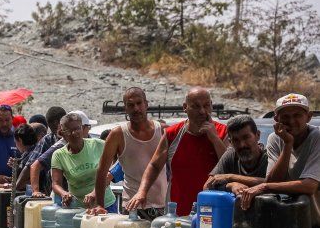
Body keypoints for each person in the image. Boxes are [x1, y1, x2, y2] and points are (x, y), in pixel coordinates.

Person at [239, 93, 320, 228]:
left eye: (297, 115)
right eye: (286, 117)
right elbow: (275, 179)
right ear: (277, 120)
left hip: (316, 223)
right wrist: (287, 145)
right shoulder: (276, 139)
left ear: (308, 116)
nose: (291, 121)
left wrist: (263, 187)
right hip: (293, 224)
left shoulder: (317, 138)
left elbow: (310, 186)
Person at [125, 87, 228, 216]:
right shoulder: (172, 133)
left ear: (211, 106)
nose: (202, 111)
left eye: (206, 106)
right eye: (196, 106)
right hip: (178, 213)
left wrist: (214, 138)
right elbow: (154, 165)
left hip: (214, 212)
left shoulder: (223, 132)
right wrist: (142, 191)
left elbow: (230, 167)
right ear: (185, 107)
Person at [94, 87, 166, 219]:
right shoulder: (118, 135)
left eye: (139, 103)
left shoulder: (162, 131)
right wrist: (100, 205)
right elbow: (102, 170)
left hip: (163, 206)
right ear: (125, 109)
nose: (136, 108)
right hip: (132, 208)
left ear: (146, 104)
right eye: (131, 105)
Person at [50, 113, 117, 211]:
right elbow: (56, 184)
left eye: (77, 128)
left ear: (82, 128)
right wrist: (64, 193)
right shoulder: (59, 155)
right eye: (69, 130)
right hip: (78, 208)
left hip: (106, 204)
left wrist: (95, 192)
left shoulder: (98, 145)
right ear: (63, 133)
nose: (74, 133)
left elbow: (120, 159)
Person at [204, 115, 267, 194]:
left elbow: (274, 183)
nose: (242, 145)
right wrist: (231, 185)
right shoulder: (231, 155)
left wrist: (230, 177)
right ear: (230, 142)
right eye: (236, 140)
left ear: (257, 135)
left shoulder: (268, 157)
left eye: (246, 137)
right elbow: (207, 186)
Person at [23, 106, 67, 195]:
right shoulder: (49, 140)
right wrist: (35, 191)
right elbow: (32, 165)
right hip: (53, 192)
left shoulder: (84, 141)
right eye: (52, 127)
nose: (58, 131)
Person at [9, 123, 40, 190]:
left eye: (15, 142)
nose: (16, 146)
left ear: (19, 140)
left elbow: (31, 179)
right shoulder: (35, 151)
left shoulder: (32, 155)